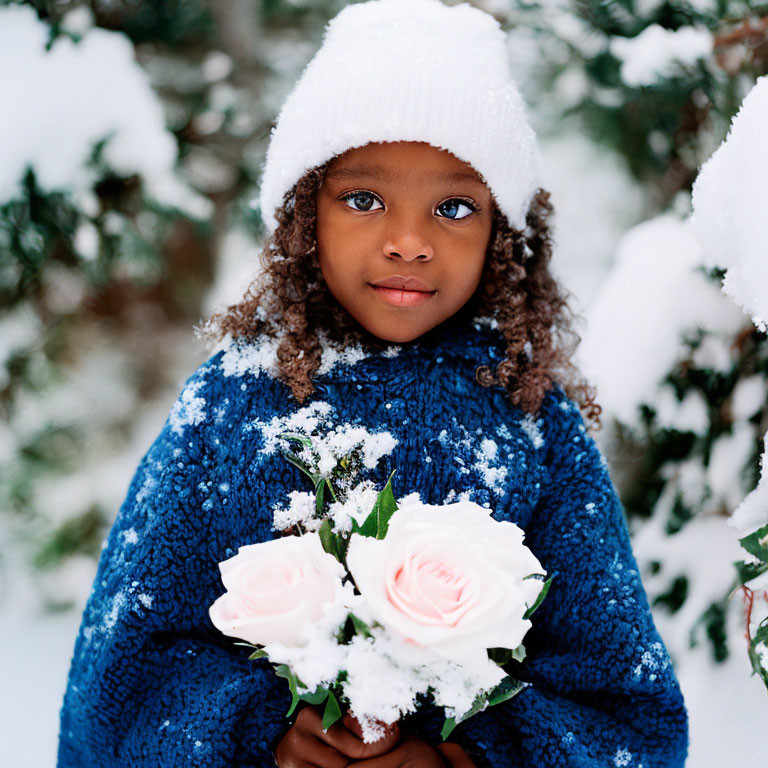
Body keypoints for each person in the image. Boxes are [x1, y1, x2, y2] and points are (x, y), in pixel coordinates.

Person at [57, 0, 690, 766]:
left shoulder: (533, 422)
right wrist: (263, 734)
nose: (410, 242)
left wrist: (462, 758)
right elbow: (124, 682)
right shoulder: (229, 405)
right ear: (304, 213)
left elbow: (627, 714)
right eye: (363, 199)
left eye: (454, 207)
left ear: (502, 235)